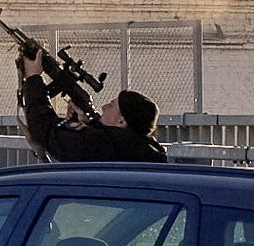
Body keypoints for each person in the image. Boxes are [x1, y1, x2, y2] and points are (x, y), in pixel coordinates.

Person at [21, 49, 167, 163]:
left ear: (121, 121)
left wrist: (33, 77)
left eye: (111, 105)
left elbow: (44, 130)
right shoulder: (144, 148)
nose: (103, 107)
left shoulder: (103, 145)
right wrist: (86, 123)